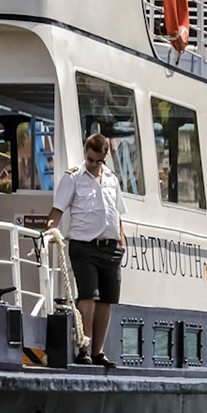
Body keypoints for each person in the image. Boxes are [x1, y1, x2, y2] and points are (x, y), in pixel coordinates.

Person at [48, 132, 126, 368]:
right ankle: (84, 348)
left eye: (98, 161)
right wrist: (49, 230)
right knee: (88, 296)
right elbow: (57, 211)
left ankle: (99, 351)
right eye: (90, 160)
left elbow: (118, 214)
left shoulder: (112, 179)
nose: (93, 165)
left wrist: (122, 242)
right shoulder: (73, 178)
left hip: (110, 248)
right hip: (84, 246)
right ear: (85, 153)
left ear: (105, 158)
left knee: (107, 299)